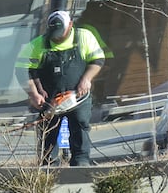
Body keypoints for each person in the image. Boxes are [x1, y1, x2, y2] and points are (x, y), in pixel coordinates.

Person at [15, 10, 105, 166]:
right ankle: (48, 167)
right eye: (53, 33)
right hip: (49, 99)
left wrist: (86, 79)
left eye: (60, 32)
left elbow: (97, 60)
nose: (56, 37)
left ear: (70, 25)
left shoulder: (84, 37)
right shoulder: (38, 44)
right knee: (48, 132)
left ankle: (81, 163)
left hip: (77, 97)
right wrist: (33, 94)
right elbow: (22, 70)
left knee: (80, 126)